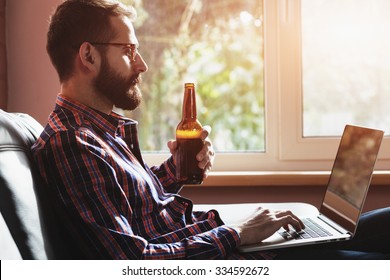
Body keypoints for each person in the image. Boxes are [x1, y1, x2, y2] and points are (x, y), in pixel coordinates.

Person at [32, 0, 390, 260]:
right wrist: (236, 233)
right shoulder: (71, 144)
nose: (141, 64)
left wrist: (174, 171)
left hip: (217, 242)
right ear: (88, 56)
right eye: (128, 50)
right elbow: (133, 262)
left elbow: (135, 207)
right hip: (228, 259)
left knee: (375, 226)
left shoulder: (97, 132)